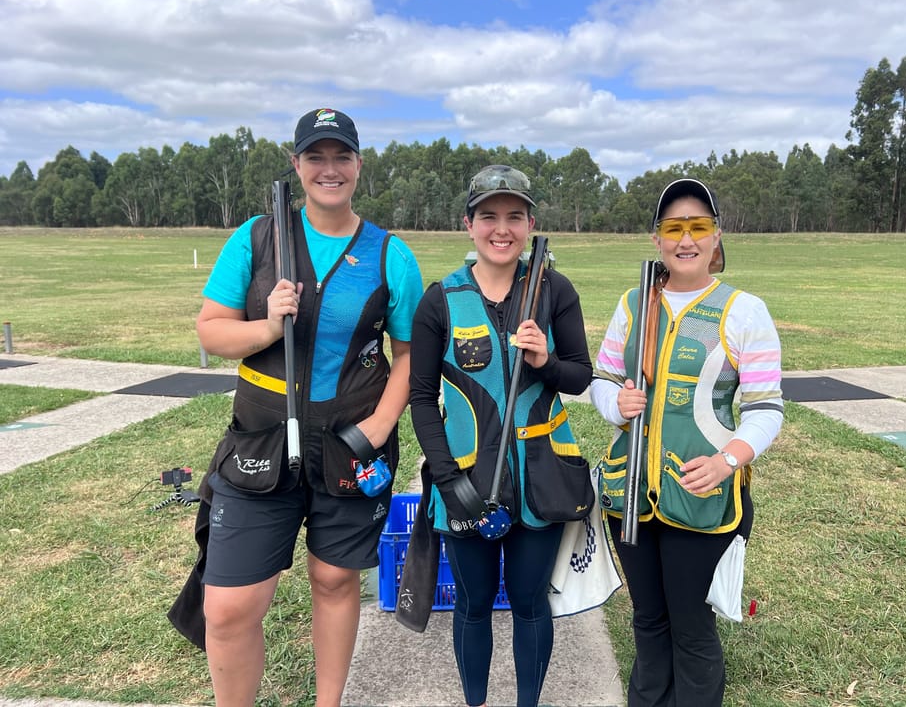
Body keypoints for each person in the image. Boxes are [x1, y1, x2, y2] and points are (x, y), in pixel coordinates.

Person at [192, 108, 424, 707]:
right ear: (296, 166)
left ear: (358, 165)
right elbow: (212, 332)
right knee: (228, 606)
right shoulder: (256, 237)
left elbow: (410, 356)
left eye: (341, 156)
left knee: (334, 579)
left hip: (350, 446)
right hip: (260, 444)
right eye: (315, 156)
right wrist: (267, 326)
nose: (329, 168)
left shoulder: (389, 254)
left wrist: (376, 428)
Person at [590, 178, 784, 707]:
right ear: (657, 239)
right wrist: (616, 403)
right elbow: (602, 381)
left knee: (691, 624)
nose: (686, 239)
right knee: (648, 619)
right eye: (674, 228)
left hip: (700, 494)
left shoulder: (744, 311)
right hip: (629, 493)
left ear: (716, 236)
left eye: (698, 227)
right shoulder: (633, 305)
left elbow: (767, 410)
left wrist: (727, 462)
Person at [408, 165, 594, 707]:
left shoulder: (554, 290)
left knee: (531, 602)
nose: (502, 228)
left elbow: (580, 377)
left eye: (515, 216)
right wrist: (446, 480)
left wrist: (545, 361)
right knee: (473, 603)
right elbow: (421, 399)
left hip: (540, 483)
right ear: (469, 224)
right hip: (465, 483)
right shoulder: (440, 299)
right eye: (489, 215)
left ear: (531, 223)